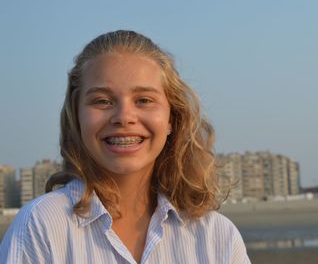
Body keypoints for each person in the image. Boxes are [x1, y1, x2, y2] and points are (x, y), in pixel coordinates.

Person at [0, 30, 250, 263]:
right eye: (102, 101)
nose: (124, 116)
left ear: (172, 118)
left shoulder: (217, 237)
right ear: (76, 118)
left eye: (143, 100)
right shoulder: (40, 226)